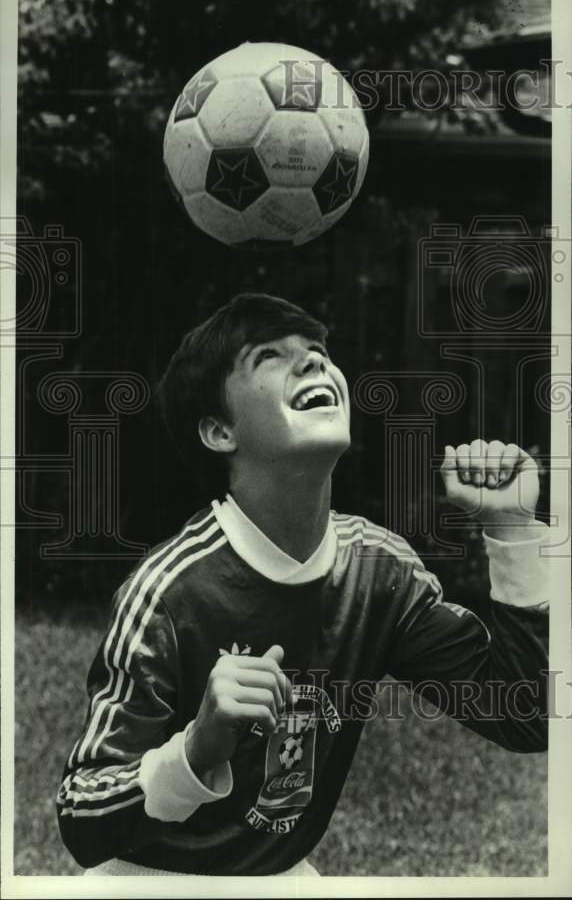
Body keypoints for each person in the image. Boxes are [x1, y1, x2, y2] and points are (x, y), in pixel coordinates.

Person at [57, 293, 549, 876]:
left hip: (284, 877)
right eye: (270, 355)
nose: (315, 362)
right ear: (219, 430)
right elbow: (81, 818)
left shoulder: (380, 571)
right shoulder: (168, 591)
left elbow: (526, 716)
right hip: (148, 882)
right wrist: (194, 751)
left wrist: (512, 529)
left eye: (318, 351)